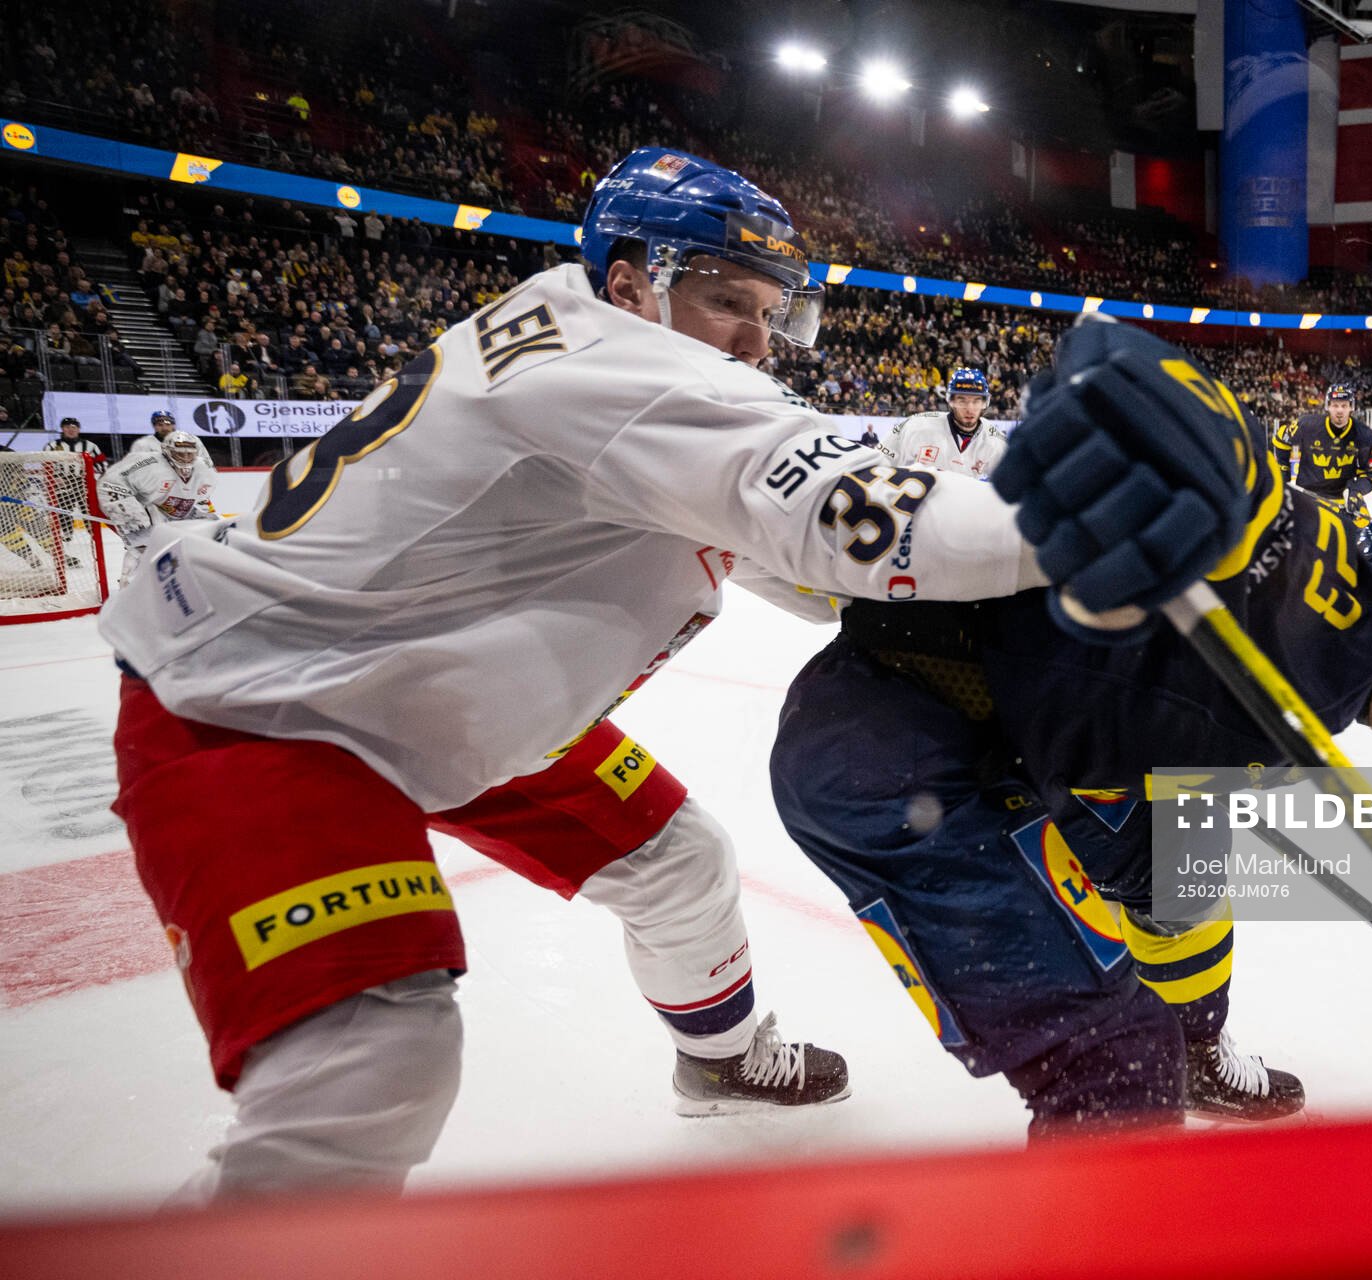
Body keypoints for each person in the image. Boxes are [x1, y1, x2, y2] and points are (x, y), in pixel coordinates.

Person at [95, 146, 1067, 1200]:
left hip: (411, 684)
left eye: (769, 308)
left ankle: (719, 1054)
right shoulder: (613, 367)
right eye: (723, 298)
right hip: (271, 706)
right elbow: (845, 518)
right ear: (629, 282)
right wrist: (1093, 527)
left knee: (677, 861)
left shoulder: (585, 346)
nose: (755, 336)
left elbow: (782, 551)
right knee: (367, 1065)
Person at [771, 484, 1372, 1135]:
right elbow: (1072, 719)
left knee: (1193, 851)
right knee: (1117, 1062)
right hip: (895, 753)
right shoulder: (1288, 643)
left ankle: (1197, 1049)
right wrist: (1203, 758)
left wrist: (1205, 770)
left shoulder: (1303, 625)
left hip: (977, 733)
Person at [98, 432, 221, 585]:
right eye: (180, 453)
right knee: (144, 544)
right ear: (167, 451)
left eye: (190, 454)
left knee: (212, 535)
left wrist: (206, 516)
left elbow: (201, 500)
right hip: (142, 506)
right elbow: (111, 483)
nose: (185, 458)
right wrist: (129, 511)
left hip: (169, 507)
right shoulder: (148, 463)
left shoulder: (203, 469)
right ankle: (130, 586)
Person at [1272, 384, 1372, 525]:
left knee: (1365, 539)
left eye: (1344, 405)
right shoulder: (1307, 426)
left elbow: (1371, 473)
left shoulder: (1364, 435)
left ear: (1351, 407)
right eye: (1335, 405)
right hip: (1308, 498)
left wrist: (1355, 492)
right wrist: (1283, 473)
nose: (1339, 410)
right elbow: (1281, 439)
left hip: (1344, 499)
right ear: (1327, 406)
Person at [878, 367, 1006, 478]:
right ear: (951, 401)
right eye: (962, 400)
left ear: (984, 403)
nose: (970, 408)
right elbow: (879, 464)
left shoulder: (996, 442)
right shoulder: (915, 426)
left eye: (976, 401)